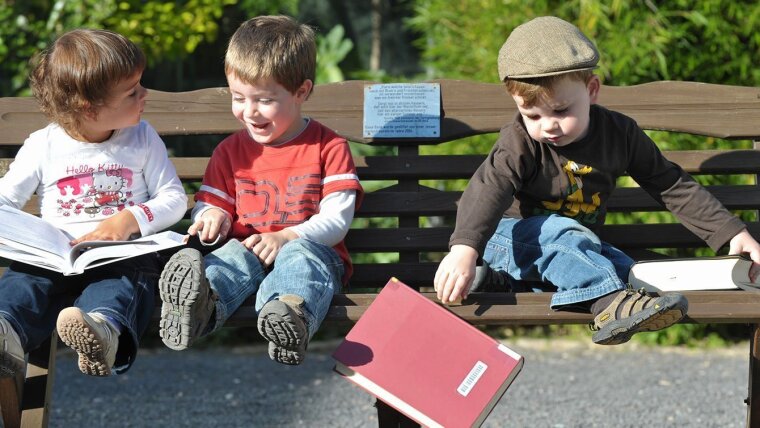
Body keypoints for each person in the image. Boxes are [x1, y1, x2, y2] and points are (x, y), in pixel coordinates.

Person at [433, 16, 760, 345]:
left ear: (591, 90)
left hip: (569, 251)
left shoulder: (620, 134)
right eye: (532, 115)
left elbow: (670, 184)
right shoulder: (520, 141)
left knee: (623, 266)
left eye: (560, 111)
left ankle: (496, 283)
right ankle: (610, 305)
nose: (548, 126)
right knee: (564, 235)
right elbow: (488, 187)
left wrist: (731, 232)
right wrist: (465, 250)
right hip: (506, 239)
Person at [157, 15, 363, 365]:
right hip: (248, 249)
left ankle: (290, 316)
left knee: (300, 260)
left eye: (264, 100)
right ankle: (200, 306)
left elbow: (336, 221)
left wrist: (287, 237)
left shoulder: (328, 146)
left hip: (310, 252)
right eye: (238, 98)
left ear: (302, 92)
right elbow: (208, 204)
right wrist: (212, 216)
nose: (249, 112)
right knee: (228, 259)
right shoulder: (230, 152)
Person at [0, 29, 187, 377]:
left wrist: (129, 220)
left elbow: (173, 198)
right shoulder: (44, 145)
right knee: (22, 283)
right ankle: (5, 331)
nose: (145, 94)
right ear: (89, 108)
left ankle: (102, 332)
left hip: (121, 255)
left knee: (118, 285)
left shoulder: (142, 137)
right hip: (56, 259)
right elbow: (4, 200)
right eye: (132, 92)